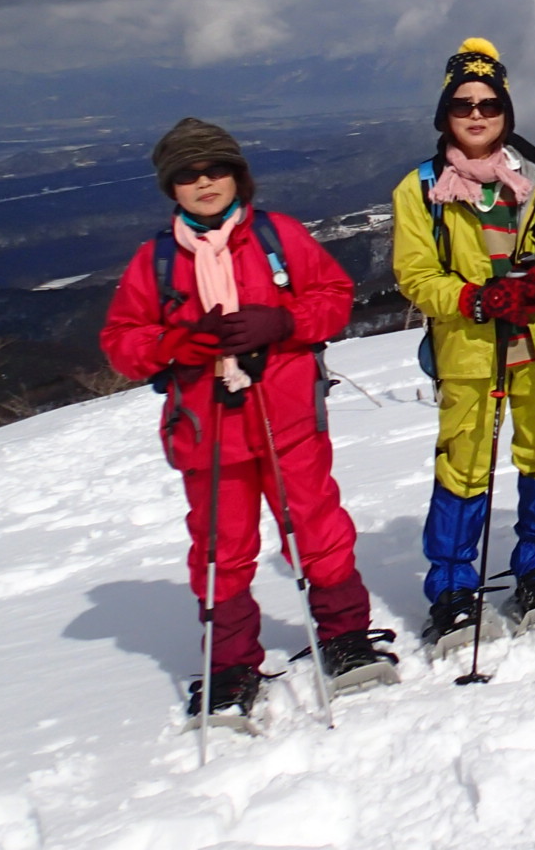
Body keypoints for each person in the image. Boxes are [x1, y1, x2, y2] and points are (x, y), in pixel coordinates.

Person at [100, 118, 394, 723]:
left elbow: (335, 297)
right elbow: (122, 343)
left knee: (315, 526)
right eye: (188, 174)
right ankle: (232, 664)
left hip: (287, 418)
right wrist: (180, 341)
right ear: (170, 187)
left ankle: (345, 636)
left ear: (238, 175)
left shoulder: (277, 237)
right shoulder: (156, 263)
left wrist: (280, 321)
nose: (204, 182)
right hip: (208, 433)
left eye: (215, 169)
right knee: (220, 548)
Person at [391, 38, 535, 649]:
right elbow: (417, 274)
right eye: (463, 104)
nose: (477, 115)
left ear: (506, 110)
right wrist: (474, 299)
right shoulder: (421, 189)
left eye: (489, 104)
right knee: (465, 464)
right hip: (471, 350)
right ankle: (452, 588)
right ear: (445, 114)